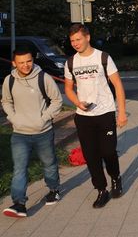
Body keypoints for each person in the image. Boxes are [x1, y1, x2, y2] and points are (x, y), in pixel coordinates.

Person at [64, 23, 128, 209]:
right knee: (91, 156)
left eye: (78, 39)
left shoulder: (103, 57)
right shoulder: (71, 62)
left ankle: (115, 177)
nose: (75, 43)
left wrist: (121, 112)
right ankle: (101, 190)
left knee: (108, 152)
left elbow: (117, 85)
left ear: (87, 37)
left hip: (105, 112)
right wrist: (77, 103)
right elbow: (68, 88)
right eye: (72, 40)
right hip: (83, 116)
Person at [1, 47, 63, 218]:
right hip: (20, 134)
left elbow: (57, 101)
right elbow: (6, 101)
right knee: (19, 169)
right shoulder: (9, 80)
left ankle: (53, 189)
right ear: (14, 63)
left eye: (29, 61)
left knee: (49, 164)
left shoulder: (44, 77)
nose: (26, 65)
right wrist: (14, 118)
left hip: (43, 131)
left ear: (32, 60)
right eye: (21, 62)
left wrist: (44, 118)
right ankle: (19, 203)